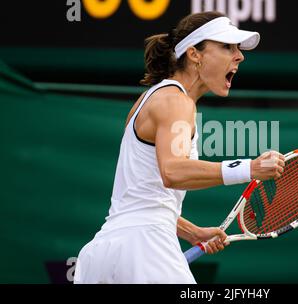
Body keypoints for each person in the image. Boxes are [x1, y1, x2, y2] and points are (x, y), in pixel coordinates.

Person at [74, 11, 285, 284]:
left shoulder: (150, 99)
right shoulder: (177, 102)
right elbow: (172, 172)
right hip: (145, 249)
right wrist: (251, 168)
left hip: (103, 254)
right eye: (227, 47)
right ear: (194, 53)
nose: (239, 56)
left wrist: (192, 232)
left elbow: (142, 196)